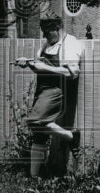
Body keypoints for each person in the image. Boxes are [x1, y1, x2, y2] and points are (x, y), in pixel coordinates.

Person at [14, 15, 83, 179]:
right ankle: (34, 177)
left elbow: (72, 72)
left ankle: (71, 136)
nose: (45, 36)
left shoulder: (71, 44)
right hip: (42, 89)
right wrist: (29, 64)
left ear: (58, 28)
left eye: (47, 32)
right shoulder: (46, 45)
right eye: (43, 32)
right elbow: (40, 69)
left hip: (57, 90)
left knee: (34, 121)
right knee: (39, 135)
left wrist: (45, 67)